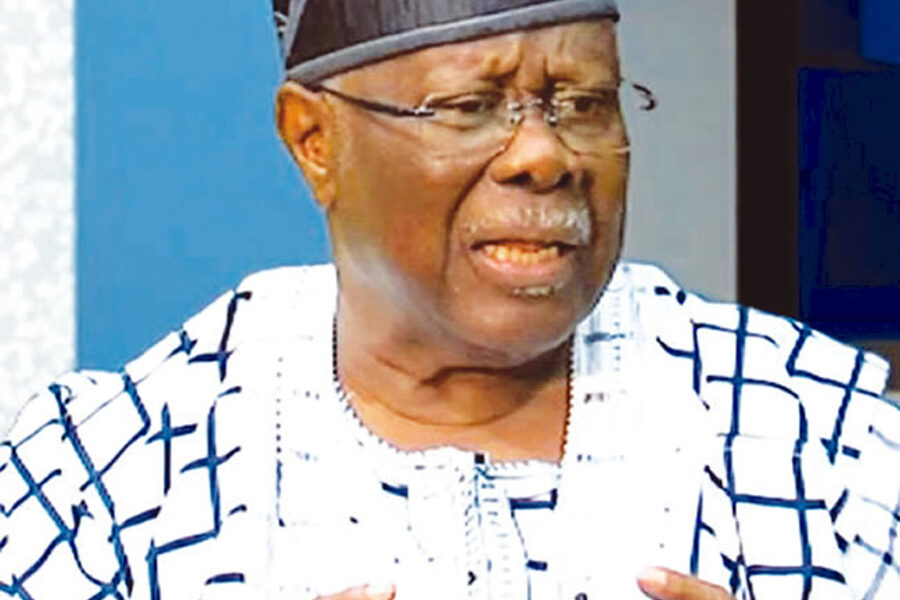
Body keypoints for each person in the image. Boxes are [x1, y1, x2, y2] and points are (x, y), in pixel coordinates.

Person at [2, 1, 899, 599]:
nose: (544, 156)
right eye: (470, 106)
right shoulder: (104, 484)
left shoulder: (822, 443)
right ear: (314, 141)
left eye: (584, 103)